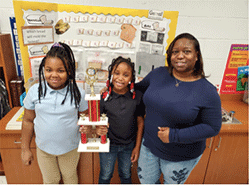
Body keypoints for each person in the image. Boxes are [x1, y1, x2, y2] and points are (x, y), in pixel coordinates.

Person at [135, 33, 222, 184]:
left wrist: (174, 135)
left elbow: (212, 127)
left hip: (180, 156)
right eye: (175, 52)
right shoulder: (158, 74)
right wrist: (114, 89)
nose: (180, 56)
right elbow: (139, 89)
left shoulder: (207, 91)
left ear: (196, 56)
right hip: (149, 145)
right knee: (146, 182)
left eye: (186, 51)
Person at [21, 42, 89, 184]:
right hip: (44, 149)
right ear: (43, 69)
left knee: (70, 177)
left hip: (70, 148)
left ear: (69, 71)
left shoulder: (78, 93)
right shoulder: (35, 91)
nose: (54, 75)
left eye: (60, 70)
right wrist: (25, 149)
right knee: (51, 180)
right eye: (49, 70)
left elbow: (85, 117)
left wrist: (86, 127)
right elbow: (27, 120)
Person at [95, 56, 145, 184]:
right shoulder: (105, 96)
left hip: (129, 146)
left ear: (131, 78)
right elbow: (98, 122)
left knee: (126, 174)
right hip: (108, 145)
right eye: (117, 73)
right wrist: (98, 130)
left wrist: (137, 147)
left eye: (126, 75)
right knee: (105, 175)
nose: (120, 78)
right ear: (111, 74)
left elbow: (140, 123)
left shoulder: (137, 96)